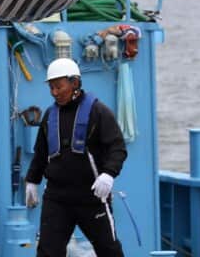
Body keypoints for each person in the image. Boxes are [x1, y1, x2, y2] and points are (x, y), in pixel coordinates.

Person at [24, 58, 127, 257]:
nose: (54, 92)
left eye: (59, 87)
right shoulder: (49, 115)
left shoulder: (98, 112)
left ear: (75, 83)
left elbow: (117, 148)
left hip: (91, 197)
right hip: (57, 197)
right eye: (51, 88)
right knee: (47, 251)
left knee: (109, 250)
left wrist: (108, 174)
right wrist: (32, 181)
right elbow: (41, 153)